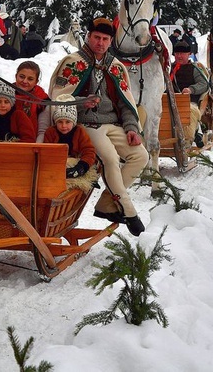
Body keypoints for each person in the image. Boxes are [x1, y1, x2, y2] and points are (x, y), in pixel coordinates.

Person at [48, 16, 148, 236]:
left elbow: (126, 102)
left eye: (105, 39)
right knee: (110, 159)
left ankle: (105, 205)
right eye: (96, 37)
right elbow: (58, 101)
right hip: (86, 125)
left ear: (110, 41)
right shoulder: (73, 63)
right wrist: (82, 103)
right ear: (88, 36)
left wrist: (131, 128)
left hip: (113, 124)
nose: (100, 43)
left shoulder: (116, 66)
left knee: (141, 156)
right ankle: (129, 211)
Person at [43, 94, 97, 178]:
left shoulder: (80, 132)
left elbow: (89, 151)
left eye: (68, 122)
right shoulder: (50, 132)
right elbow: (46, 152)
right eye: (60, 122)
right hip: (56, 164)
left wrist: (82, 166)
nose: (64, 126)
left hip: (76, 163)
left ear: (73, 122)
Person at [170, 41, 208, 147]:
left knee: (190, 111)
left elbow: (204, 84)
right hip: (170, 100)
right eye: (177, 53)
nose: (179, 56)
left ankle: (193, 133)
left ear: (189, 54)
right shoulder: (169, 68)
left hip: (189, 101)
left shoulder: (194, 69)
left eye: (182, 53)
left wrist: (191, 89)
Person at [12, 60, 50, 140]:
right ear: (16, 76)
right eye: (21, 77)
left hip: (33, 142)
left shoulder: (42, 99)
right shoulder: (6, 94)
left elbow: (43, 129)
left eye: (30, 79)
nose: (25, 81)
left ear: (36, 81)